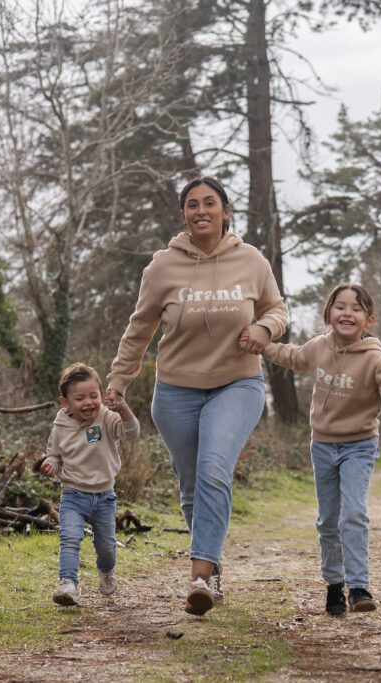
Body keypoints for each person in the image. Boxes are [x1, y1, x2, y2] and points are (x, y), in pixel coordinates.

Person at [105, 176, 288, 615]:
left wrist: (264, 328)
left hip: (237, 384)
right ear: (183, 214)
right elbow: (140, 329)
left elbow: (278, 309)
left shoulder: (252, 260)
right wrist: (117, 380)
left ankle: (200, 577)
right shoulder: (162, 267)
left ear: (226, 211)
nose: (201, 210)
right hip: (176, 391)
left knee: (212, 472)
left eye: (211, 203)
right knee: (191, 486)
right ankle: (213, 561)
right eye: (192, 204)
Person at [246, 283, 381, 617]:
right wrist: (263, 345)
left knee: (353, 514)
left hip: (359, 445)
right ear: (329, 314)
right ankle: (334, 586)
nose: (347, 313)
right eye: (340, 307)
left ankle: (359, 587)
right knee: (328, 521)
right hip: (322, 445)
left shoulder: (375, 359)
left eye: (356, 309)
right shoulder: (319, 346)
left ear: (369, 320)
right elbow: (294, 357)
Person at [41, 362, 140, 606]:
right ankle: (67, 584)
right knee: (70, 538)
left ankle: (106, 572)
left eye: (94, 396)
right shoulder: (61, 425)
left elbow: (132, 433)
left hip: (104, 497)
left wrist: (124, 409)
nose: (89, 403)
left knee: (106, 546)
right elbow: (53, 453)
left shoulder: (106, 418)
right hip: (73, 495)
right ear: (66, 403)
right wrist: (51, 464)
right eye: (80, 398)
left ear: (101, 396)